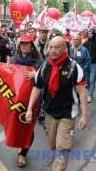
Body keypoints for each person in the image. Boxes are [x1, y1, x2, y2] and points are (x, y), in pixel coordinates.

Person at [26, 36, 88, 171]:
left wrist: (84, 116)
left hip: (68, 113)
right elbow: (37, 87)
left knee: (63, 147)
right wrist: (29, 108)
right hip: (50, 113)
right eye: (51, 47)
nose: (52, 50)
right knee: (53, 146)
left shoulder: (73, 67)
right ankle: (57, 165)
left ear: (65, 48)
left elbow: (82, 92)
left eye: (57, 47)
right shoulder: (45, 66)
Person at [10, 34, 44, 168]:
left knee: (28, 124)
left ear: (31, 45)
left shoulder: (39, 61)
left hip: (32, 99)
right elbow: (7, 73)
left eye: (26, 43)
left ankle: (23, 154)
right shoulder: (14, 59)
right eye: (22, 43)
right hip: (17, 98)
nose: (24, 45)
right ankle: (21, 144)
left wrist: (36, 74)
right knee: (17, 123)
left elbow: (47, 74)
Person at [83, 29, 96, 103]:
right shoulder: (86, 43)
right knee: (87, 80)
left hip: (94, 64)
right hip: (87, 64)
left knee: (92, 80)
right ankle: (88, 93)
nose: (90, 34)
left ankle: (90, 95)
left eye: (91, 33)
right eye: (89, 33)